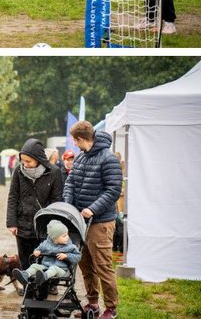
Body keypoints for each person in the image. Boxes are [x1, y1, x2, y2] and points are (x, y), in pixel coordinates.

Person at [65, 121, 122, 319]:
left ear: (81, 139)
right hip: (80, 222)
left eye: (75, 140)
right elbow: (70, 183)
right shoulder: (81, 157)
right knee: (85, 265)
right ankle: (92, 304)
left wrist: (93, 209)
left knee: (103, 266)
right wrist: (68, 205)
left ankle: (111, 308)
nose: (74, 143)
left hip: (101, 222)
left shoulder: (108, 159)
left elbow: (114, 190)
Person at [7, 139, 65, 270]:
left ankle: (43, 282)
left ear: (38, 159)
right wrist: (11, 222)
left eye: (28, 161)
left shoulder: (54, 172)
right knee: (25, 262)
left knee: (43, 262)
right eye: (23, 161)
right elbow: (13, 196)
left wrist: (53, 224)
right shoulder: (18, 171)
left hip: (44, 226)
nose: (25, 164)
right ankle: (27, 282)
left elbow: (57, 200)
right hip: (23, 225)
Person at [12, 220, 81, 290]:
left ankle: (43, 277)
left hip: (61, 270)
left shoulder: (70, 247)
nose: (67, 237)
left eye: (67, 234)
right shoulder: (46, 244)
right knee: (34, 266)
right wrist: (36, 251)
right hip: (45, 266)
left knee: (53, 269)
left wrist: (67, 256)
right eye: (64, 236)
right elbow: (38, 249)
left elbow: (78, 256)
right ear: (55, 239)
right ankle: (25, 275)